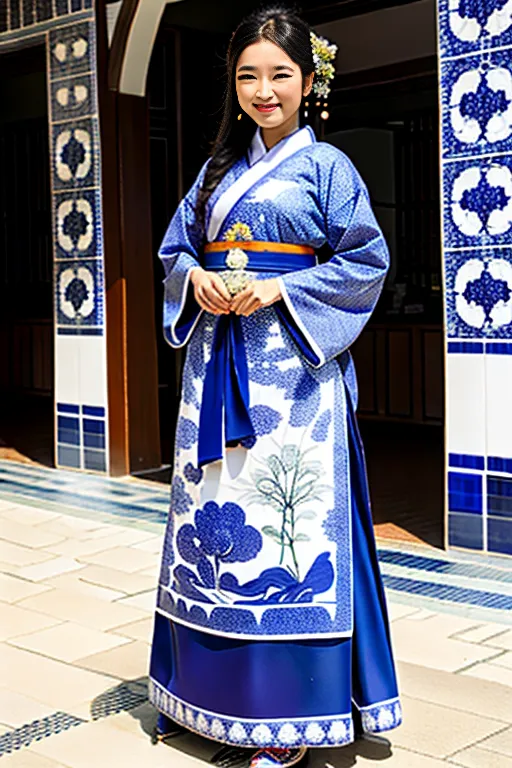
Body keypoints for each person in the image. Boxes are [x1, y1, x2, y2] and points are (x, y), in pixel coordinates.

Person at [148, 6, 402, 767]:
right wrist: (194, 278)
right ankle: (202, 695)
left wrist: (281, 292)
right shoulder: (217, 171)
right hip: (216, 364)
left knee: (289, 522)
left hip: (292, 380)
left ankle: (294, 712)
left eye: (280, 75)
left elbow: (366, 262)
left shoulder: (329, 169)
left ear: (308, 82)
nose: (264, 90)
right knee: (214, 507)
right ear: (234, 86)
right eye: (248, 76)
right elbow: (174, 248)